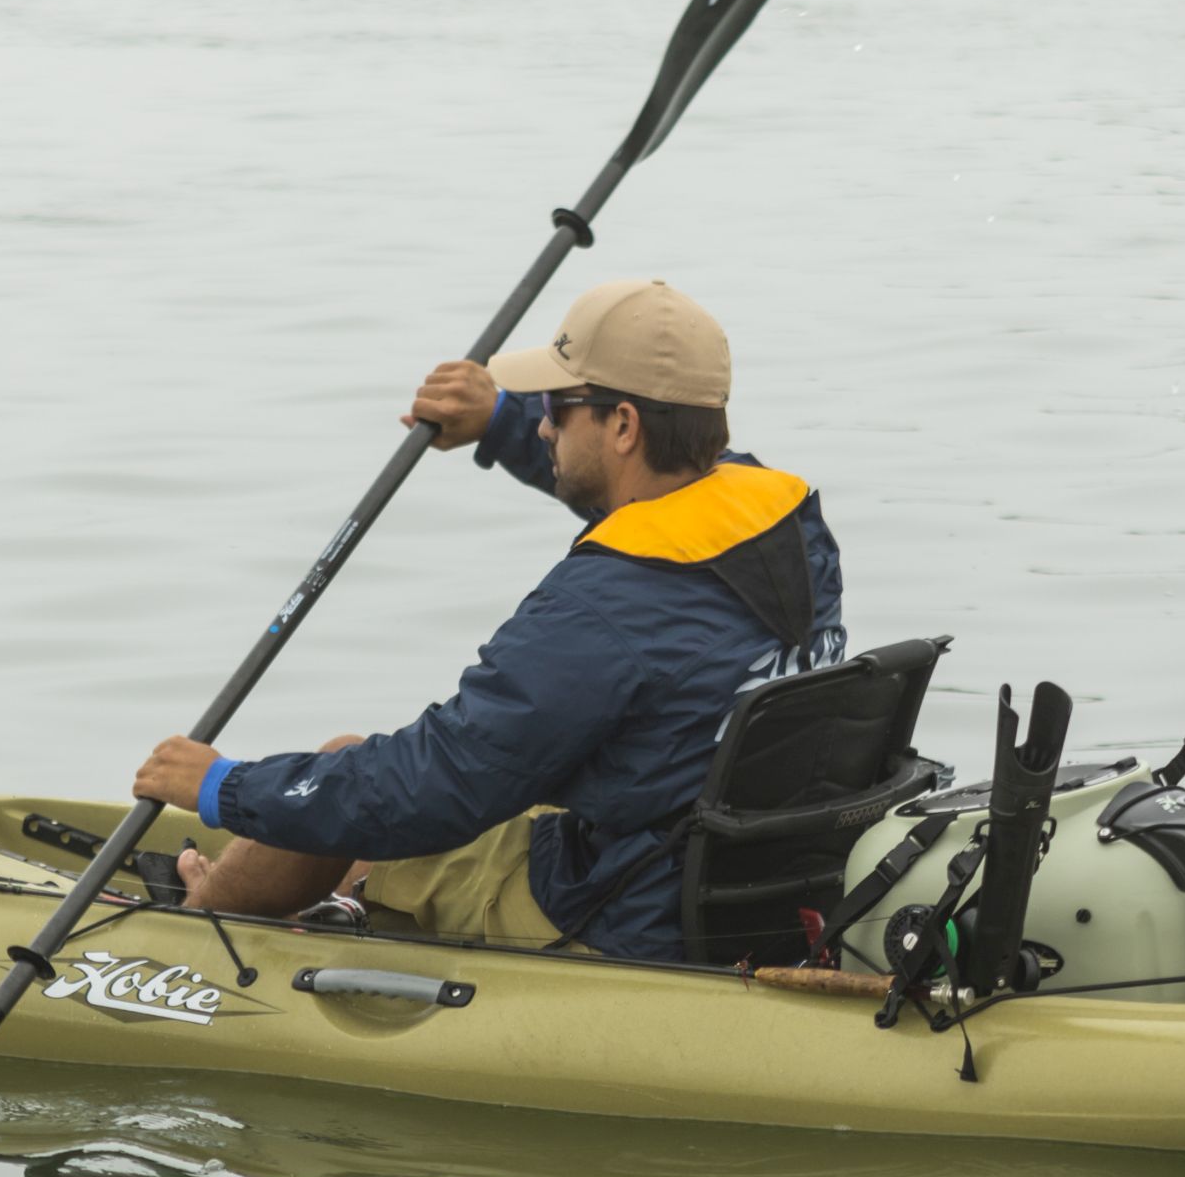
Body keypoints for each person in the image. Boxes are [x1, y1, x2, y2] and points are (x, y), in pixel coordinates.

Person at [130, 278, 846, 961]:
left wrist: (225, 787)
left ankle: (194, 936)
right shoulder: (787, 524)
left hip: (617, 913)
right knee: (350, 788)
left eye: (557, 407)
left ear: (623, 424)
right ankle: (304, 898)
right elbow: (651, 513)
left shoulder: (596, 609)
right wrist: (498, 424)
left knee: (338, 769)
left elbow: (434, 787)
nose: (543, 424)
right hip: (744, 884)